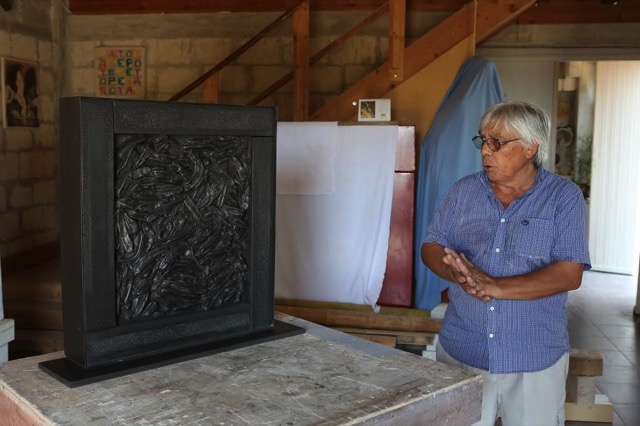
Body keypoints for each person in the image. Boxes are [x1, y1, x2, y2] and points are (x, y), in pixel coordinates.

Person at [421, 100, 590, 425]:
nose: (485, 150)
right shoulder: (462, 192)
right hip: (464, 348)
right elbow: (431, 246)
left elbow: (570, 274)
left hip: (534, 356)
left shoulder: (563, 198)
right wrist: (455, 273)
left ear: (530, 147)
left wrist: (495, 286)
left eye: (497, 142)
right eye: (483, 140)